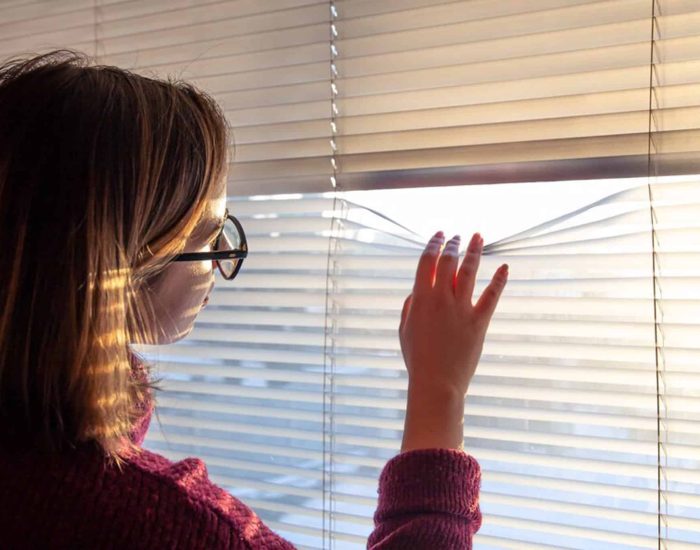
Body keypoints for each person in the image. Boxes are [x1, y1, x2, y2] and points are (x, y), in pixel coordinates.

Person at [0, 50, 509, 549]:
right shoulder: (164, 523)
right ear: (123, 260)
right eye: (207, 233)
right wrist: (439, 389)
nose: (224, 256)